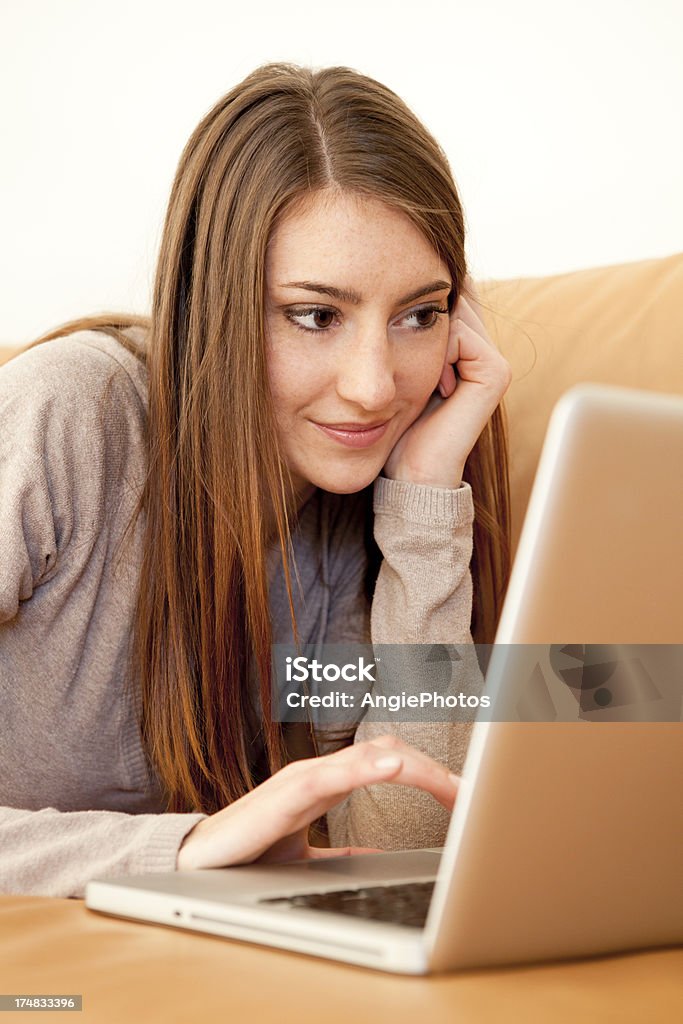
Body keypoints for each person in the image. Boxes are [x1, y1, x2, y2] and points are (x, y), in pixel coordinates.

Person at [0, 62, 512, 896]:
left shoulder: (365, 505)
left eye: (418, 315)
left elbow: (390, 855)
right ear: (215, 302)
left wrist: (424, 503)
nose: (375, 386)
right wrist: (178, 850)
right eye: (315, 316)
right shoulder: (65, 415)